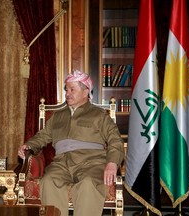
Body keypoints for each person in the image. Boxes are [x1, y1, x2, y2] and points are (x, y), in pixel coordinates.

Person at [18, 70, 124, 216]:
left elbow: (115, 140)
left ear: (85, 92)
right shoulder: (58, 116)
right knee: (48, 181)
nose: (67, 93)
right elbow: (43, 136)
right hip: (61, 164)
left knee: (88, 184)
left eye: (72, 89)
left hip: (91, 163)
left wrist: (112, 163)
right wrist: (29, 145)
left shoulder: (99, 115)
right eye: (66, 89)